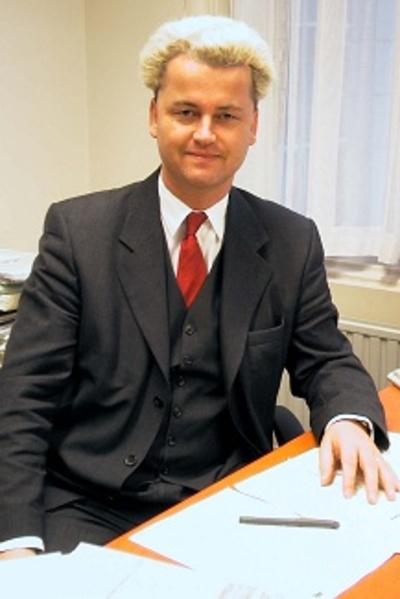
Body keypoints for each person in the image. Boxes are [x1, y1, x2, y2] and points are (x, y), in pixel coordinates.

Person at [0, 15, 398, 560]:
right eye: (186, 112)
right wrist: (16, 543)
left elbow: (325, 358)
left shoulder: (290, 240)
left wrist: (349, 420)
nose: (205, 133)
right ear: (154, 116)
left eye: (226, 115)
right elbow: (23, 398)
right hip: (89, 503)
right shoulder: (78, 233)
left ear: (252, 125)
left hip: (227, 499)